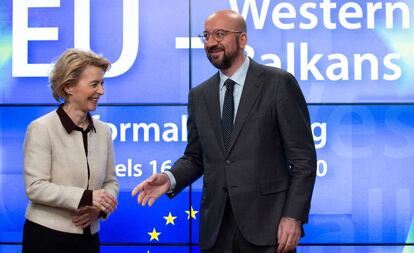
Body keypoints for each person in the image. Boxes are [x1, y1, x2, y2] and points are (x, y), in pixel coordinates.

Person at [132, 10, 316, 253]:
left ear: (242, 40)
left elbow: (303, 160)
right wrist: (169, 178)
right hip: (216, 231)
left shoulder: (278, 83)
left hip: (268, 228)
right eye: (206, 36)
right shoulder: (199, 95)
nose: (211, 43)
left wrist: (293, 216)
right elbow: (196, 157)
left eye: (219, 34)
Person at [22, 48, 119, 253]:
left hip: (89, 238)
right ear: (68, 87)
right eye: (94, 84)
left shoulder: (103, 132)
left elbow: (111, 182)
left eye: (102, 83)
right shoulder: (42, 128)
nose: (101, 91)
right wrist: (86, 197)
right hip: (46, 237)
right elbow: (36, 187)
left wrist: (98, 209)